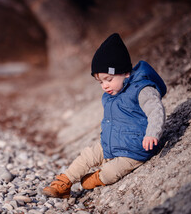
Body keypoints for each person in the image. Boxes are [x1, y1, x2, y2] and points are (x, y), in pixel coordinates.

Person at [42, 33, 167, 198]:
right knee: (88, 155)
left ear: (126, 73)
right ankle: (63, 182)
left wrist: (152, 134)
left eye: (108, 79)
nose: (105, 86)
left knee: (111, 172)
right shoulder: (111, 94)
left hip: (136, 149)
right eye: (101, 82)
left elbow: (156, 110)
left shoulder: (142, 89)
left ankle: (96, 178)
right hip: (111, 143)